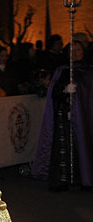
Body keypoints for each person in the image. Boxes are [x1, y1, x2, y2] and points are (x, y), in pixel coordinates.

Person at [32, 40, 93, 191]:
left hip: (84, 118)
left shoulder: (89, 72)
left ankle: (84, 179)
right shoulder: (62, 70)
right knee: (65, 146)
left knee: (84, 146)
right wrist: (65, 90)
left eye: (78, 50)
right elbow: (54, 93)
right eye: (72, 50)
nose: (75, 53)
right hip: (65, 116)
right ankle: (63, 180)